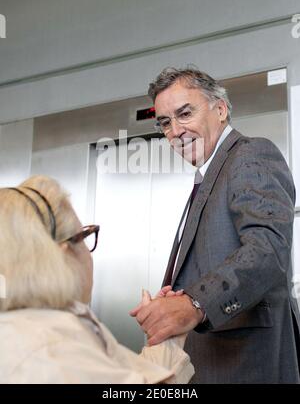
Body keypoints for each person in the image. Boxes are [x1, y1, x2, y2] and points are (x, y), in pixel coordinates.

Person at [130, 66, 300, 384]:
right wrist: (178, 296)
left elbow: (269, 248)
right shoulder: (207, 177)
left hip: (246, 365)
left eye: (185, 114)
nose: (175, 131)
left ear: (220, 109)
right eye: (165, 122)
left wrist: (194, 302)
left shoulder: (250, 155)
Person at [0, 175, 194, 384]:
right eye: (85, 235)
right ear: (64, 253)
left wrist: (165, 337)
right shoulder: (51, 348)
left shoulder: (30, 330)